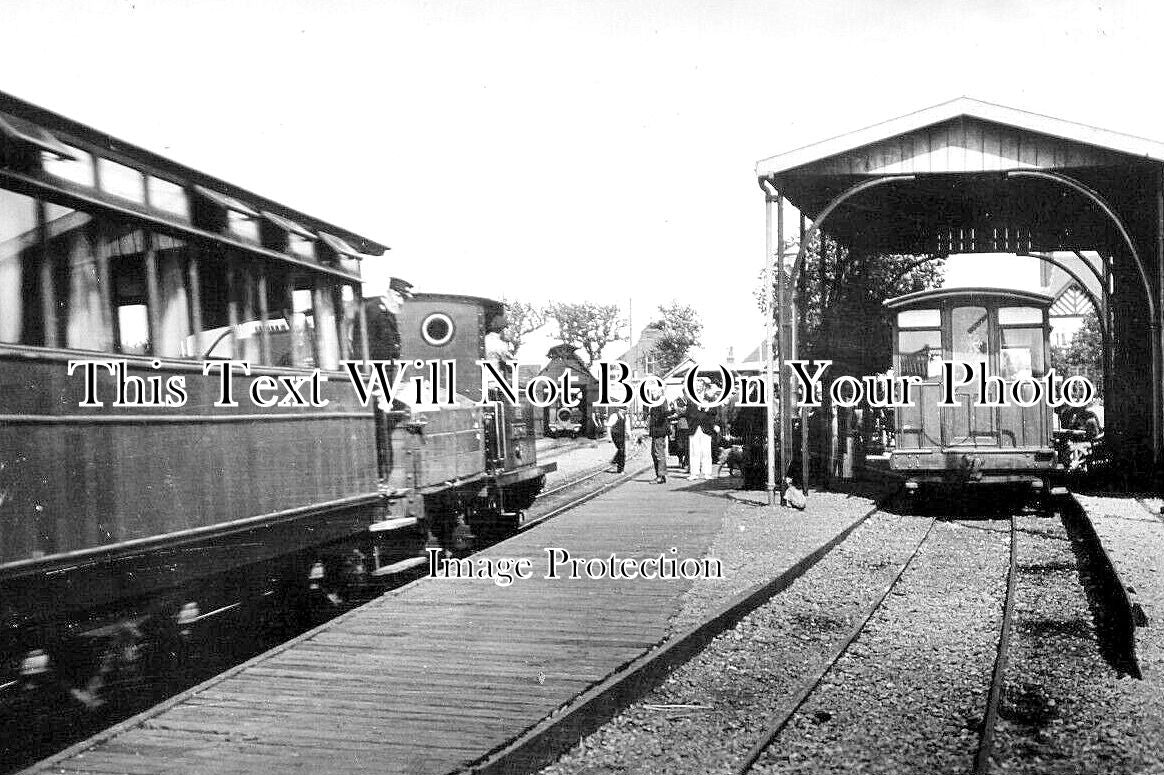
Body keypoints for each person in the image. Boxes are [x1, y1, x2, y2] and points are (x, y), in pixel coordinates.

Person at [687, 384, 719, 480]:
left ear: (704, 389)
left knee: (706, 452)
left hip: (706, 428)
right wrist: (699, 410)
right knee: (694, 452)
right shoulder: (691, 400)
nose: (699, 389)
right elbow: (688, 414)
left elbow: (714, 413)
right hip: (694, 428)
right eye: (697, 387)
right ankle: (694, 473)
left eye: (701, 387)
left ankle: (707, 473)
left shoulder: (711, 400)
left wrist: (706, 410)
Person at [645, 389, 675, 483]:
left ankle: (661, 476)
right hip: (656, 431)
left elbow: (664, 413)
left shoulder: (661, 400)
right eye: (652, 391)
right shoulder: (656, 402)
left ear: (659, 392)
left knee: (658, 453)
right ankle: (660, 475)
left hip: (659, 430)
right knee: (654, 453)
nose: (653, 393)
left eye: (654, 391)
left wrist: (671, 411)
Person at [606, 408, 627, 473]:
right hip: (615, 435)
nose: (626, 410)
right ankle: (616, 463)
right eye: (624, 409)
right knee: (621, 450)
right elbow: (609, 426)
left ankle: (619, 468)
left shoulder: (625, 416)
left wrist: (629, 433)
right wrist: (609, 437)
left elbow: (626, 426)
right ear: (620, 409)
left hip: (622, 435)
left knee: (622, 451)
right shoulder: (614, 416)